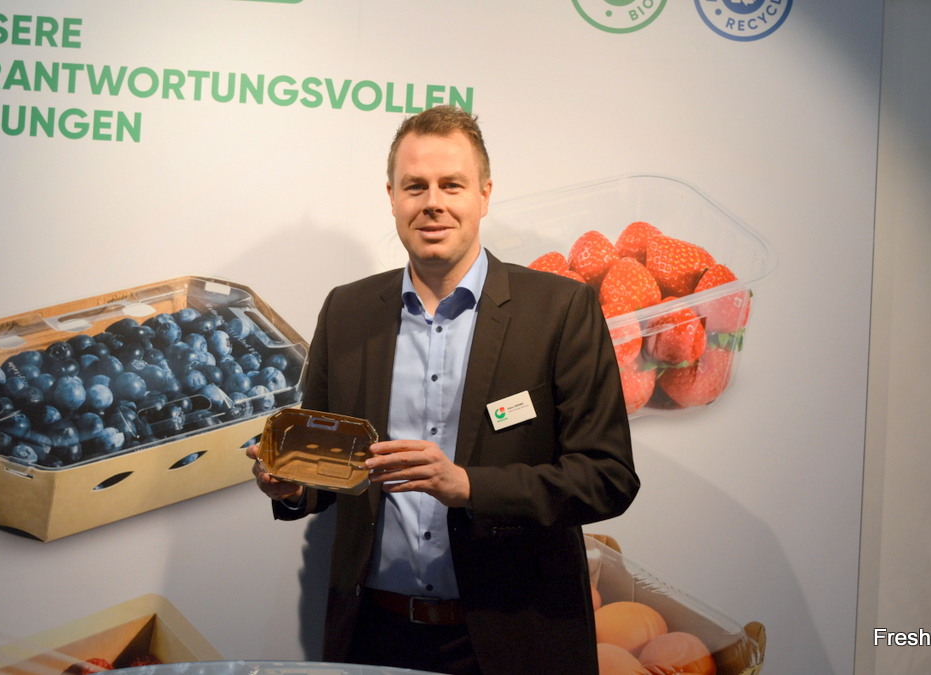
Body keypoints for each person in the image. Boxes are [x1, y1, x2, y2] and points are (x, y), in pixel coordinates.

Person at [247, 105, 639, 674]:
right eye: (415, 186)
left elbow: (608, 478)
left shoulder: (560, 310)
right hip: (374, 635)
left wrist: (469, 486)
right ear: (392, 197)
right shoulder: (347, 310)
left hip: (514, 639)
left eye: (451, 185)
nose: (433, 202)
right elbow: (325, 467)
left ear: (484, 194)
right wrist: (291, 486)